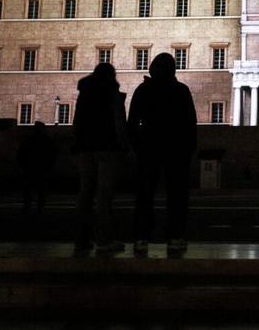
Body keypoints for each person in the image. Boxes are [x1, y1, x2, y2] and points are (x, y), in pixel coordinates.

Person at [128, 53, 197, 254]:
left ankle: (141, 238)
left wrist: (136, 146)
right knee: (177, 196)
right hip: (176, 149)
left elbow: (132, 121)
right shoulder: (181, 90)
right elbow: (190, 123)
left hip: (148, 148)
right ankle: (175, 237)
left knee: (144, 195)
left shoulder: (143, 89)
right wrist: (189, 148)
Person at [72, 63, 129, 254]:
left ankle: (81, 240)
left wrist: (77, 144)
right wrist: (124, 145)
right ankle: (104, 239)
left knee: (85, 195)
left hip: (85, 149)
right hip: (107, 148)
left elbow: (77, 122)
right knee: (104, 195)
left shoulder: (84, 93)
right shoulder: (111, 93)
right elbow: (119, 122)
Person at [17, 121, 57, 214]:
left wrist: (22, 166)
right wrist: (50, 166)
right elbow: (53, 154)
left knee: (28, 190)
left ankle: (27, 208)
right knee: (41, 191)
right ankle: (40, 209)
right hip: (42, 168)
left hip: (29, 168)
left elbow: (20, 154)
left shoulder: (28, 140)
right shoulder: (47, 140)